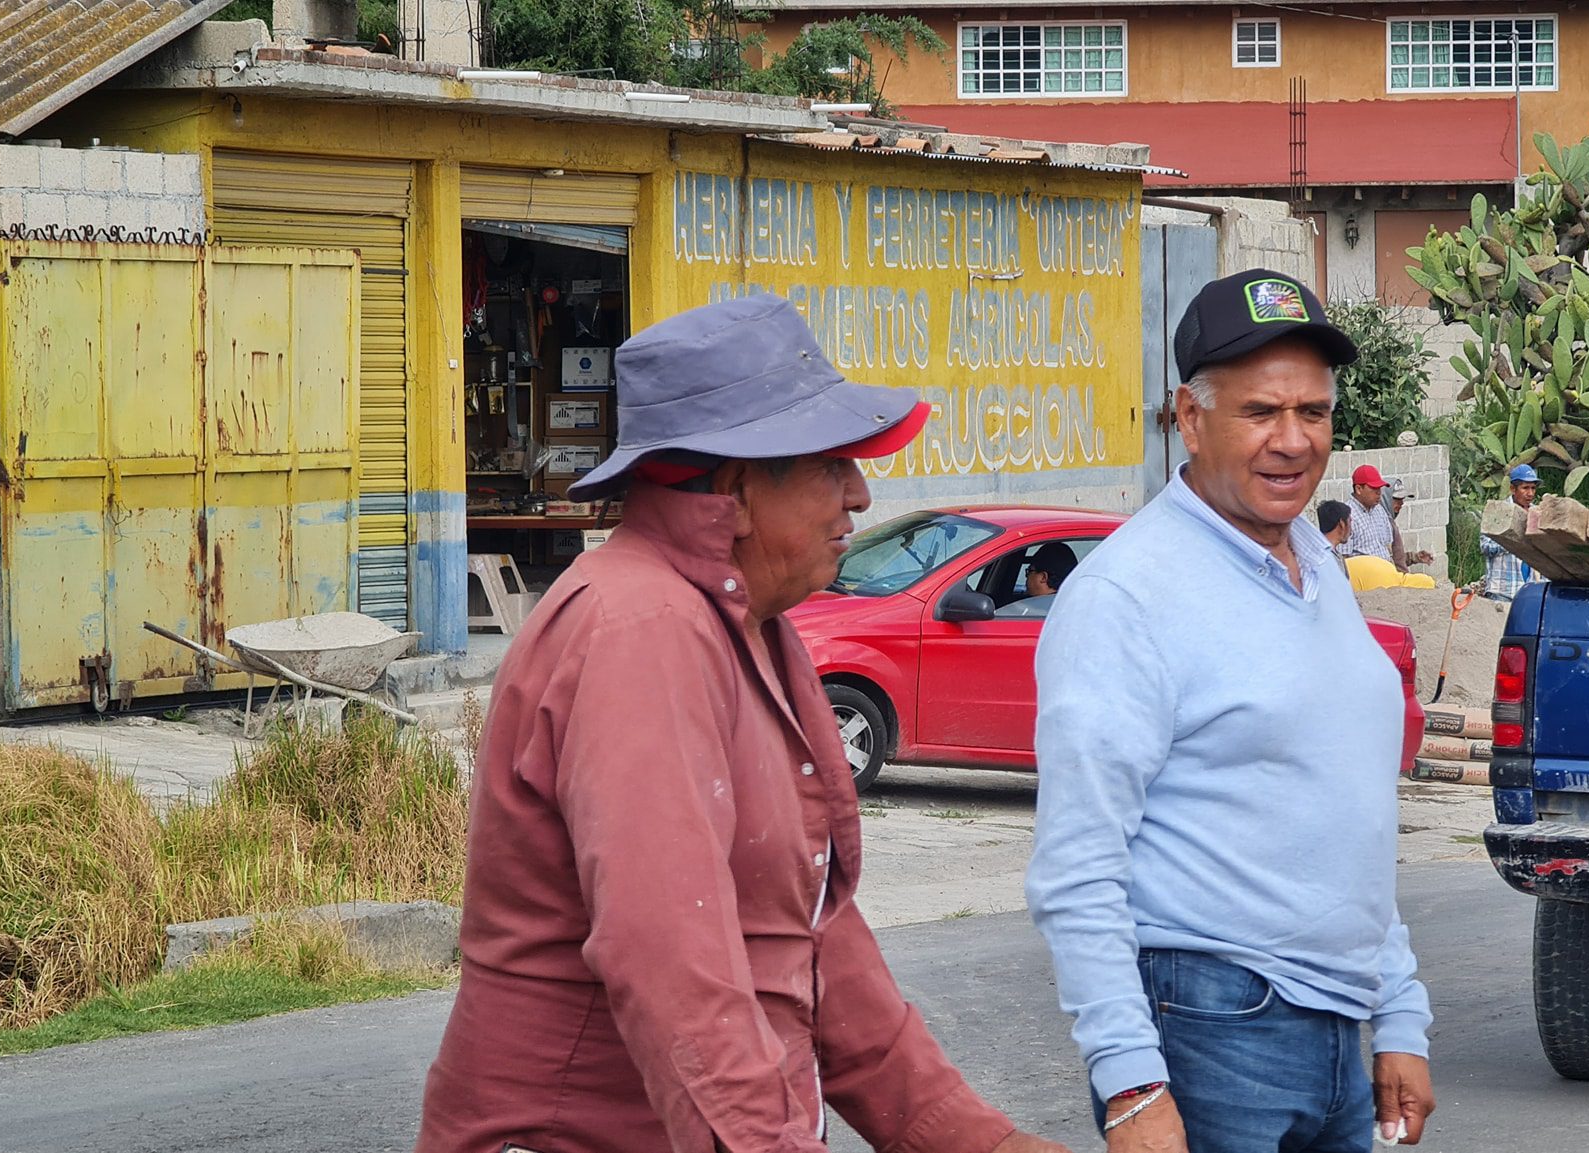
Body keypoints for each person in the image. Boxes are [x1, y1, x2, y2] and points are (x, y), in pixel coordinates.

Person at [417, 295, 1067, 1153]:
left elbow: (808, 938)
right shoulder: (641, 631)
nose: (860, 494)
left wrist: (968, 1138)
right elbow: (669, 957)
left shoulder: (750, 626)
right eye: (831, 464)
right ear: (737, 491)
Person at [1027, 269, 1436, 1153]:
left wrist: (1398, 1010)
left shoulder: (1316, 567)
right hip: (1210, 1029)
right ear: (1191, 414)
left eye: (1314, 413)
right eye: (1261, 412)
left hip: (1337, 1029)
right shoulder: (1127, 595)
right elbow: (1078, 865)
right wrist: (1131, 1084)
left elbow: (1348, 819)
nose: (1293, 441)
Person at [1344, 466, 1432, 570]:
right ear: (1359, 489)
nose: (1379, 493)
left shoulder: (1379, 511)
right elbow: (1343, 559)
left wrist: (1413, 557)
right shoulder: (1346, 516)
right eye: (1374, 488)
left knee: (1426, 582)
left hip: (1388, 573)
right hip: (1367, 578)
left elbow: (1390, 552)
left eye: (1380, 488)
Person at [1480, 463, 1546, 602]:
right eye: (1525, 488)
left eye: (1533, 488)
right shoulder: (1497, 511)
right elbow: (1485, 547)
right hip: (1503, 590)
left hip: (1532, 590)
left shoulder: (1537, 513)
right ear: (1512, 489)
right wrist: (1513, 542)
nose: (1530, 493)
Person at [997, 541, 1079, 618]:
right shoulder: (1075, 607)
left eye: (1029, 571)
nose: (1027, 577)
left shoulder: (1030, 612)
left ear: (1043, 577)